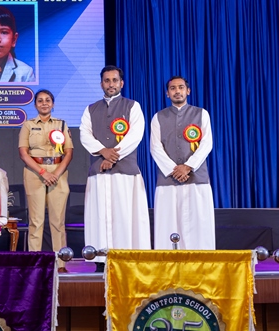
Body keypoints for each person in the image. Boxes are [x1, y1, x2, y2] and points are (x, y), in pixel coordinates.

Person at [80, 66, 151, 270]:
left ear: (121, 83)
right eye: (107, 80)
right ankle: (100, 260)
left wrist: (112, 157)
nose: (111, 84)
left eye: (114, 80)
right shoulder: (90, 109)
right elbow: (85, 135)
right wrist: (103, 151)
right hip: (99, 172)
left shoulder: (133, 106)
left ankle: (126, 260)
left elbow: (135, 135)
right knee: (99, 216)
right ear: (101, 83)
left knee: (125, 216)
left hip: (125, 172)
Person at [150, 76, 215, 250]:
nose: (177, 91)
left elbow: (206, 144)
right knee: (168, 224)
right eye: (172, 88)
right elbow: (155, 147)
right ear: (167, 93)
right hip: (168, 180)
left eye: (180, 87)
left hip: (196, 178)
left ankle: (201, 260)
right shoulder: (158, 117)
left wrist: (188, 167)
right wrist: (174, 170)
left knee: (199, 223)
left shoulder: (201, 114)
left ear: (188, 91)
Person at [18, 89, 73, 272]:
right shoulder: (28, 125)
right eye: (40, 100)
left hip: (58, 172)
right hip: (35, 173)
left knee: (58, 222)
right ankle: (34, 263)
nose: (44, 103)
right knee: (36, 221)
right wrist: (43, 172)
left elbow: (69, 152)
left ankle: (61, 264)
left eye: (47, 100)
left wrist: (55, 173)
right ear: (35, 104)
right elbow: (23, 153)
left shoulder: (61, 124)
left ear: (53, 103)